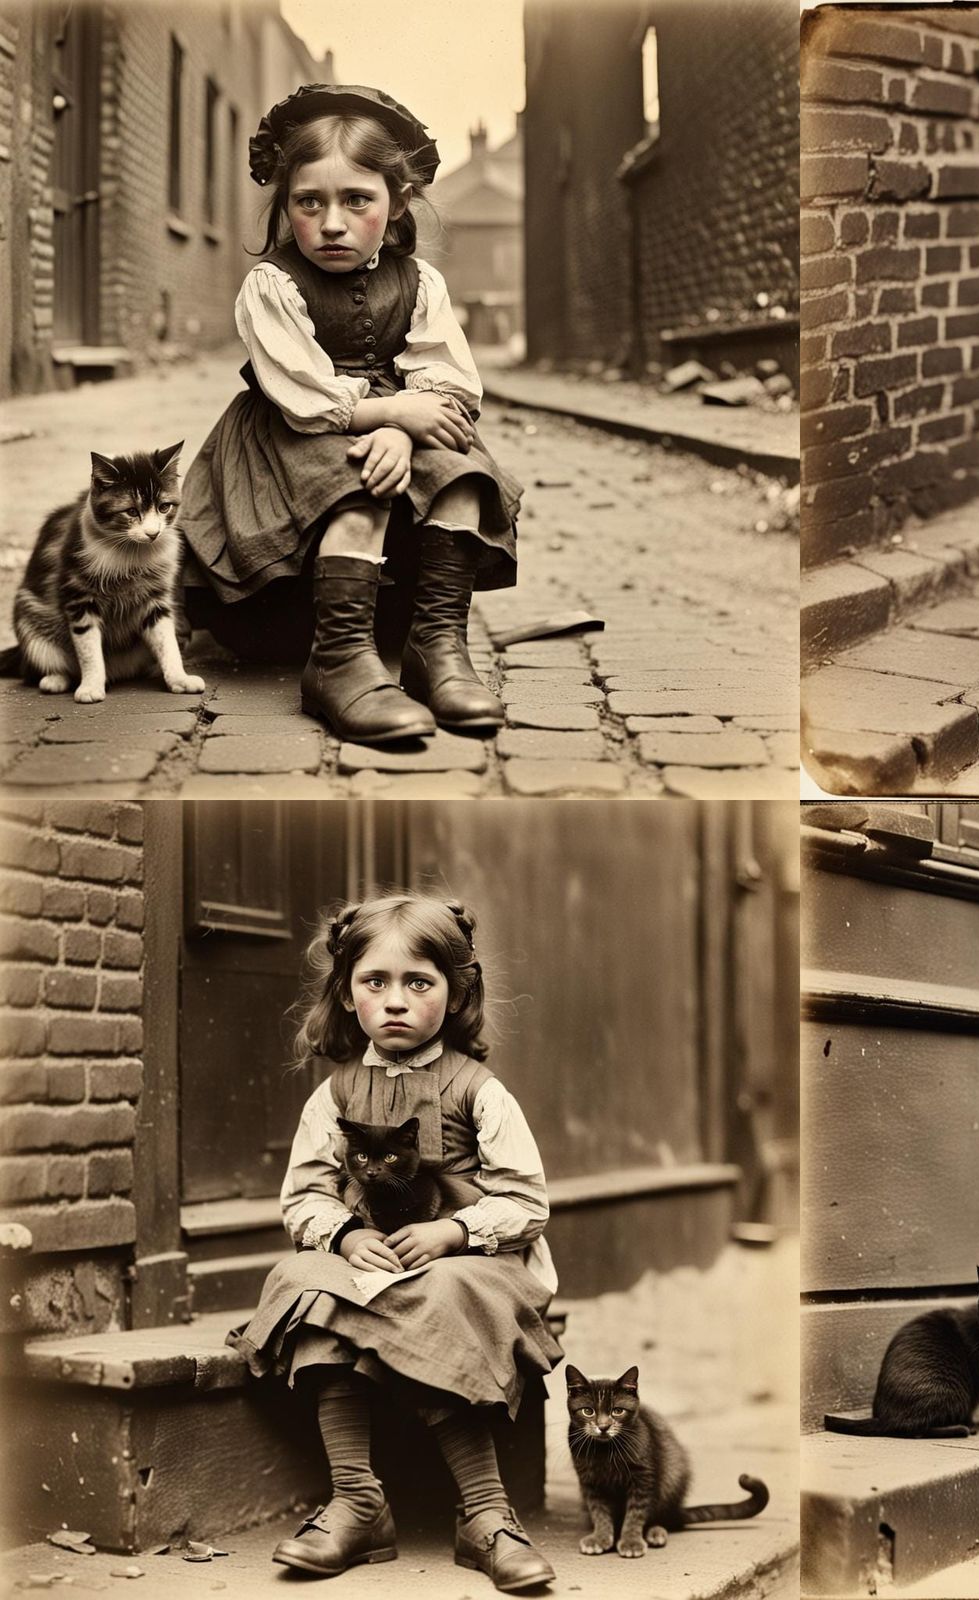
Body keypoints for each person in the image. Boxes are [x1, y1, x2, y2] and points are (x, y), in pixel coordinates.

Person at [230, 892, 560, 1594]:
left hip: (473, 1267)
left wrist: (453, 1230)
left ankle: (485, 1515)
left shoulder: (480, 1091)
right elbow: (304, 1195)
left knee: (440, 1294)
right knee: (306, 1282)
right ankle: (357, 1500)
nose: (397, 1001)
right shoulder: (334, 1095)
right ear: (348, 996)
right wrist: (345, 1237)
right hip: (369, 1262)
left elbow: (528, 1203)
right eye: (375, 982)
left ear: (456, 992)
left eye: (419, 982)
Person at [181, 85, 522, 743]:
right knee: (357, 482)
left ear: (394, 209)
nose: (331, 222)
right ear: (287, 206)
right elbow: (302, 393)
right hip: (296, 432)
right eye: (310, 202)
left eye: (356, 200)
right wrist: (388, 418)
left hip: (396, 413)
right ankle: (338, 660)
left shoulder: (421, 283)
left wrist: (402, 422)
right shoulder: (272, 285)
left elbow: (445, 377)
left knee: (458, 467)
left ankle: (437, 646)